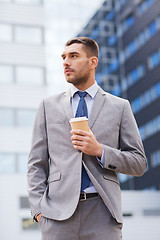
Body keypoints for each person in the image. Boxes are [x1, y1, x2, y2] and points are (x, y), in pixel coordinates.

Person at [27, 37, 147, 240]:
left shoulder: (120, 107)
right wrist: (39, 210)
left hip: (103, 213)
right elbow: (36, 164)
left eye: (74, 56)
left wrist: (100, 150)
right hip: (57, 216)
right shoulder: (48, 106)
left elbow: (139, 163)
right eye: (63, 57)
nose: (66, 62)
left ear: (93, 62)